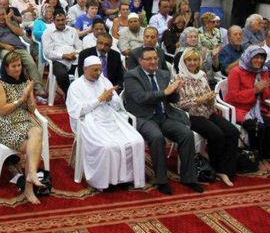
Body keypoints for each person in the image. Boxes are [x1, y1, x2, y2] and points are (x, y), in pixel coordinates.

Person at [124, 47, 202, 195]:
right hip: (144, 116)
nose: (153, 62)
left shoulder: (163, 74)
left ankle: (189, 177)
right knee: (157, 137)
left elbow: (172, 99)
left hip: (165, 115)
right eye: (149, 59)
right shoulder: (131, 76)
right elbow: (142, 98)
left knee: (186, 134)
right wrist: (166, 92)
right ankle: (161, 180)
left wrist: (176, 90)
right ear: (141, 61)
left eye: (155, 58)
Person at [67, 56, 145, 190]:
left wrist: (109, 99)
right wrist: (99, 99)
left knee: (136, 141)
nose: (98, 73)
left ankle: (126, 178)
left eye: (100, 70)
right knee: (107, 146)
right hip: (90, 121)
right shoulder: (76, 86)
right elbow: (78, 111)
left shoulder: (104, 81)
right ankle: (105, 182)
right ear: (85, 69)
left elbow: (117, 105)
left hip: (110, 118)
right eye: (94, 70)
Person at [172, 48, 239, 186]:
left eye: (195, 60)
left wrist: (209, 98)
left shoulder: (202, 75)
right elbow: (178, 104)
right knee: (217, 134)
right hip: (192, 115)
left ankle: (228, 169)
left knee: (233, 131)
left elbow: (208, 95)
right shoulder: (178, 79)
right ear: (183, 62)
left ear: (199, 61)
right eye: (189, 60)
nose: (192, 63)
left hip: (208, 111)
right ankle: (218, 168)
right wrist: (198, 100)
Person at [0, 51, 46, 204]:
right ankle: (29, 186)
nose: (17, 69)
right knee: (33, 146)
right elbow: (2, 110)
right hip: (8, 125)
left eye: (19, 65)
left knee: (37, 130)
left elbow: (31, 110)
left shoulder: (25, 82)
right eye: (13, 66)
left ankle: (30, 176)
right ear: (7, 68)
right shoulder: (0, 84)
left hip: (24, 122)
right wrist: (21, 98)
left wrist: (29, 96)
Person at [225, 46, 270, 166]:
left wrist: (264, 88)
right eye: (256, 57)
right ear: (249, 57)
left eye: (261, 58)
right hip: (239, 109)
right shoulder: (236, 71)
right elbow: (233, 96)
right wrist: (254, 90)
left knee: (268, 123)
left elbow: (266, 96)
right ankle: (255, 157)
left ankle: (266, 155)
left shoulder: (263, 71)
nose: (259, 61)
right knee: (258, 127)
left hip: (258, 107)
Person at [0, 7, 46, 97]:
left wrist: (8, 22)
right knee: (10, 63)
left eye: (3, 14)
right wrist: (5, 46)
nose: (1, 17)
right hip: (5, 49)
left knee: (31, 63)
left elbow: (20, 33)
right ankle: (13, 87)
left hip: (19, 48)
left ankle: (38, 88)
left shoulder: (13, 22)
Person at [42, 11, 81, 98]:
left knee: (85, 71)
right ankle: (69, 96)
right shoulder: (48, 32)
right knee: (62, 75)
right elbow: (47, 52)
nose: (60, 22)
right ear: (53, 21)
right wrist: (63, 56)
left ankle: (82, 96)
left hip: (74, 60)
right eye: (58, 20)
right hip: (58, 61)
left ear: (66, 19)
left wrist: (75, 54)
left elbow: (80, 47)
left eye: (62, 20)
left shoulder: (72, 30)